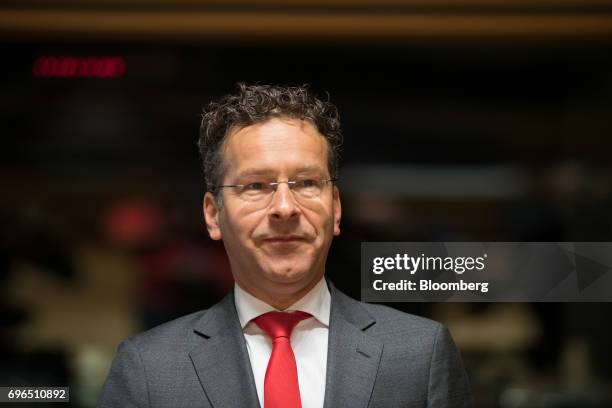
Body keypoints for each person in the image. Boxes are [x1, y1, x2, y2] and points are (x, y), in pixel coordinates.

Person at [97, 84, 472, 407]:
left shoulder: (420, 353)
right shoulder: (149, 367)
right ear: (214, 215)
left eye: (307, 183)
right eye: (256, 185)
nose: (284, 208)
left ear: (336, 208)